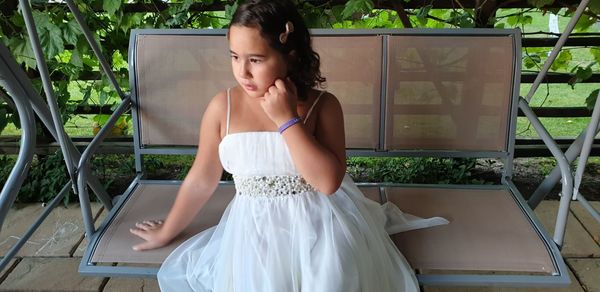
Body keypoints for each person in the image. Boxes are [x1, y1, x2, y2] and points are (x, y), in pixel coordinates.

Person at [129, 1, 448, 291]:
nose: (243, 71)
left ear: (290, 55)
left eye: (256, 59)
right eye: (235, 57)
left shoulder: (323, 105)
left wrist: (287, 122)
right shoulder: (222, 106)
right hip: (253, 228)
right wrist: (168, 229)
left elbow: (327, 182)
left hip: (321, 224)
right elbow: (202, 177)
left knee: (332, 279)